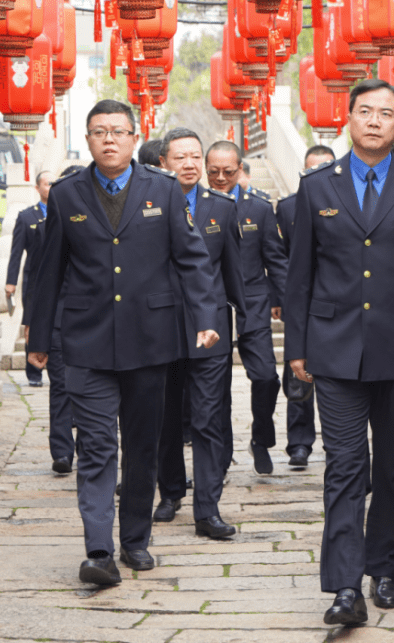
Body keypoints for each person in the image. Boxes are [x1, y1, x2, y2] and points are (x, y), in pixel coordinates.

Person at [284, 79, 394, 626]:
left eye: (386, 113)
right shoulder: (317, 187)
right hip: (334, 351)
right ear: (349, 118)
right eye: (366, 111)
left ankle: (385, 568)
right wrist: (297, 347)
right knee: (344, 465)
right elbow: (300, 277)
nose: (375, 121)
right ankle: (343, 585)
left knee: (389, 467)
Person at [27, 99, 219, 587]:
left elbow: (192, 259)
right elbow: (49, 270)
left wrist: (203, 316)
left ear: (136, 138)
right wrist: (39, 334)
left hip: (151, 341)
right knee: (94, 446)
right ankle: (98, 549)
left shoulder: (163, 189)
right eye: (98, 132)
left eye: (118, 131)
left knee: (141, 446)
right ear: (88, 140)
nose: (108, 139)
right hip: (86, 343)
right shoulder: (68, 195)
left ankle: (135, 540)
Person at [153, 129, 247, 539]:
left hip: (210, 332)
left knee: (208, 419)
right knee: (165, 417)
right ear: (164, 163)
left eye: (195, 156)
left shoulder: (222, 208)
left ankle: (207, 508)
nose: (190, 164)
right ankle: (170, 491)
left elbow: (233, 275)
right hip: (159, 329)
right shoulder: (149, 203)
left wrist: (248, 325)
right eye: (181, 157)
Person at [204, 140, 289, 475]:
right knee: (216, 388)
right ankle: (221, 456)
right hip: (213, 307)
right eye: (214, 172)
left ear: (240, 169)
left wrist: (283, 300)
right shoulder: (196, 207)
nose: (221, 177)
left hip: (253, 303)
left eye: (228, 171)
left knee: (267, 377)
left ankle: (261, 438)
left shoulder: (260, 209)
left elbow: (276, 260)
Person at [274, 144, 336, 467]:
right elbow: (280, 258)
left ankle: (337, 441)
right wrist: (279, 300)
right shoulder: (287, 208)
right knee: (297, 377)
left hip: (335, 305)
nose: (319, 174)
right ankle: (299, 442)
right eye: (312, 170)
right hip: (301, 303)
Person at [35, 165, 83, 475]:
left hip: (96, 321)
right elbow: (42, 280)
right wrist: (36, 329)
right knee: (61, 388)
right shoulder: (45, 226)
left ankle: (92, 447)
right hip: (59, 321)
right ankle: (62, 451)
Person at [6, 170, 52, 388]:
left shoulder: (66, 213)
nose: (51, 187)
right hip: (34, 281)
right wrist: (10, 282)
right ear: (37, 188)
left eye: (54, 183)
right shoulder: (26, 217)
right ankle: (34, 373)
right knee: (32, 326)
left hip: (59, 279)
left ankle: (55, 369)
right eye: (47, 183)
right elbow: (16, 253)